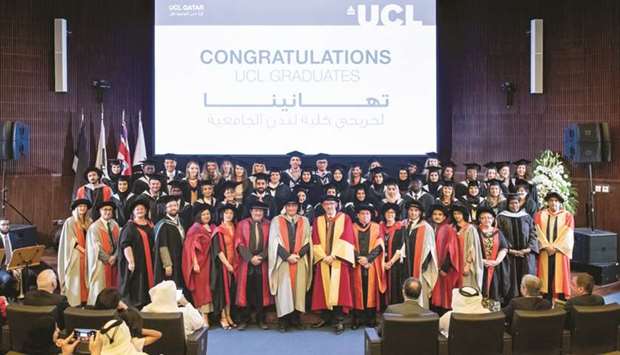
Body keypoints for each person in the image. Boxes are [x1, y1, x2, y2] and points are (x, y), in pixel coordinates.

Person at [310, 195, 355, 335]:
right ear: (323, 206)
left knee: (339, 289)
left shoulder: (345, 218)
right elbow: (315, 240)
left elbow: (347, 238)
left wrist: (334, 255)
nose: (329, 206)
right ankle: (325, 317)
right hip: (323, 259)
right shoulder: (318, 220)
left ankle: (338, 319)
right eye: (326, 204)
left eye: (331, 203)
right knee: (323, 288)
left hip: (338, 260)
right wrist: (323, 256)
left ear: (336, 204)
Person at [268, 196, 313, 332]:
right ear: (285, 207)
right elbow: (274, 242)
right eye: (289, 206)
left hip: (299, 260)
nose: (292, 208)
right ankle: (283, 321)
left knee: (298, 291)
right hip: (283, 261)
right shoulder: (277, 220)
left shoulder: (304, 220)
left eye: (294, 206)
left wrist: (298, 255)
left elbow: (308, 241)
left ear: (297, 207)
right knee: (283, 291)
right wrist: (287, 257)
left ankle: (296, 319)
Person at [235, 200, 272, 330]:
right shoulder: (242, 224)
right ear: (251, 211)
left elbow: (271, 244)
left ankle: (261, 319)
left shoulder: (269, 224)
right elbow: (239, 243)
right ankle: (245, 319)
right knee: (247, 290)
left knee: (261, 291)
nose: (258, 213)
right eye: (255, 210)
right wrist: (250, 258)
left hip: (263, 261)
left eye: (260, 211)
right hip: (247, 262)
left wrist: (261, 257)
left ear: (263, 212)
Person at [496, 194, 539, 300]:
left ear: (519, 203)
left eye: (516, 203)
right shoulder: (501, 217)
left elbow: (533, 233)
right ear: (507, 204)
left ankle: (528, 300)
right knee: (510, 280)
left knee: (526, 277)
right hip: (509, 255)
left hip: (526, 254)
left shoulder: (527, 216)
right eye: (511, 203)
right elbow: (499, 235)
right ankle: (511, 302)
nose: (514, 205)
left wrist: (529, 248)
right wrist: (511, 250)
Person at [396, 203, 438, 309]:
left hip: (419, 266)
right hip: (405, 265)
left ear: (420, 212)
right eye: (411, 210)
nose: (413, 213)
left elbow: (430, 250)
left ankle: (420, 316)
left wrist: (423, 266)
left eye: (416, 210)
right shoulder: (403, 225)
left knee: (420, 294)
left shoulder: (426, 227)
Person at [535, 191, 574, 301]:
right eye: (551, 200)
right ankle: (546, 300)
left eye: (556, 201)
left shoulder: (567, 216)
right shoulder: (540, 215)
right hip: (545, 251)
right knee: (545, 276)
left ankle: (561, 300)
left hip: (560, 252)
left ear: (560, 203)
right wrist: (546, 246)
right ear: (547, 202)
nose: (553, 203)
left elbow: (568, 233)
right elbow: (538, 232)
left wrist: (555, 247)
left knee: (560, 277)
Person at [351, 204, 385, 329]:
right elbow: (349, 244)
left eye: (367, 214)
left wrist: (368, 259)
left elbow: (380, 246)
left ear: (371, 216)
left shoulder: (376, 227)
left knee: (370, 291)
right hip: (357, 264)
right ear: (358, 215)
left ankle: (371, 319)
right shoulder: (352, 227)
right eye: (362, 214)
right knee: (357, 291)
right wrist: (359, 259)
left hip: (371, 264)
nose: (365, 216)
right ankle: (357, 319)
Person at [182, 204, 216, 326]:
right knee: (202, 290)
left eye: (208, 214)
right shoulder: (194, 228)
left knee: (209, 288)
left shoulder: (211, 227)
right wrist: (194, 263)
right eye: (204, 214)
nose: (207, 216)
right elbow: (190, 248)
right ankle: (204, 318)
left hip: (210, 263)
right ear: (198, 216)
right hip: (200, 264)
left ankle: (208, 317)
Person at [118, 198, 155, 308]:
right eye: (137, 209)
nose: (140, 210)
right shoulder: (130, 226)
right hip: (136, 261)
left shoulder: (151, 225)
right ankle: (137, 308)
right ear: (133, 212)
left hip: (149, 261)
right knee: (137, 285)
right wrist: (131, 261)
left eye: (142, 209)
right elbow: (126, 244)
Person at [58, 198, 93, 306]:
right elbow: (70, 240)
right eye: (80, 206)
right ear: (76, 209)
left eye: (84, 206)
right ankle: (74, 302)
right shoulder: (70, 221)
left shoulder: (89, 221)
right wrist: (83, 250)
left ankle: (86, 300)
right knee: (76, 278)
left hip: (88, 254)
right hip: (76, 254)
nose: (82, 208)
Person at [86, 201, 121, 305]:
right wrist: (107, 259)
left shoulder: (115, 225)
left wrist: (115, 256)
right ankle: (98, 306)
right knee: (100, 285)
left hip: (114, 261)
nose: (108, 212)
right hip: (100, 262)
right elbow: (95, 247)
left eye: (110, 210)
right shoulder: (94, 227)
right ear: (100, 211)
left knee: (114, 284)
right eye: (105, 210)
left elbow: (120, 243)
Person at [211, 204, 238, 330]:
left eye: (231, 213)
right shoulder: (218, 230)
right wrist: (227, 265)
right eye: (226, 213)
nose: (229, 215)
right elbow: (218, 250)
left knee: (231, 291)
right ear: (222, 215)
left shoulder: (235, 227)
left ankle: (229, 315)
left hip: (235, 265)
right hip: (222, 266)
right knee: (223, 292)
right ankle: (223, 317)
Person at [477, 207, 511, 307]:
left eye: (489, 218)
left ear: (493, 219)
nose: (486, 220)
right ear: (479, 219)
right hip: (480, 267)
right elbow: (471, 250)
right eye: (483, 218)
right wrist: (482, 261)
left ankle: (494, 317)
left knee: (495, 290)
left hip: (496, 268)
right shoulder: (475, 232)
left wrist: (496, 261)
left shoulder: (498, 232)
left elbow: (504, 248)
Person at [431, 204, 461, 312]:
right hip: (433, 267)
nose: (437, 216)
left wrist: (445, 268)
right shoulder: (431, 228)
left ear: (444, 217)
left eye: (440, 214)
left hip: (445, 269)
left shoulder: (448, 229)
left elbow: (452, 251)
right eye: (434, 214)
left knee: (445, 294)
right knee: (435, 292)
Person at [152, 195, 186, 290]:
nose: (173, 208)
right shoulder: (163, 225)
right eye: (170, 206)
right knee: (171, 285)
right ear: (165, 209)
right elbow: (162, 246)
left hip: (181, 260)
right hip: (170, 261)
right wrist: (167, 264)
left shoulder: (182, 222)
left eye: (175, 205)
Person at [451, 204, 483, 291]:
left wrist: (468, 264)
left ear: (463, 214)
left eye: (459, 214)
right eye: (455, 214)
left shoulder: (470, 228)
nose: (457, 216)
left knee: (467, 287)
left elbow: (472, 247)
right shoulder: (452, 227)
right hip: (454, 264)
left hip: (465, 261)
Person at [380, 202, 403, 306]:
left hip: (395, 263)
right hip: (380, 262)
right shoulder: (379, 227)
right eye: (387, 212)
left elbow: (401, 247)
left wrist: (390, 262)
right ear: (384, 214)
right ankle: (382, 308)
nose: (390, 214)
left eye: (392, 212)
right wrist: (382, 263)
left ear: (395, 214)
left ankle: (394, 308)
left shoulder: (400, 228)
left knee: (394, 285)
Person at [0, 217, 18, 299]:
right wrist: (8, 268)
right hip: (1, 267)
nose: (6, 226)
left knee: (29, 273)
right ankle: (5, 298)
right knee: (7, 279)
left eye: (7, 224)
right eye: (3, 224)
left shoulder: (14, 237)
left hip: (14, 264)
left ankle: (19, 295)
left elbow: (18, 252)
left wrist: (15, 267)